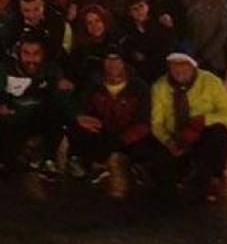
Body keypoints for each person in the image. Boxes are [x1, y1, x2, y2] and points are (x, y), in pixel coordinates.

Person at [0, 34, 76, 179]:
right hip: (11, 122)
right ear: (18, 53)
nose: (31, 59)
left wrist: (77, 113)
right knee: (4, 171)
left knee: (55, 111)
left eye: (36, 54)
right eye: (26, 53)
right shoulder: (5, 69)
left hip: (37, 120)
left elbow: (65, 102)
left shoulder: (51, 70)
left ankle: (48, 158)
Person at [150, 53, 227, 203]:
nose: (179, 71)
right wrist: (168, 141)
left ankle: (214, 178)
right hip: (175, 135)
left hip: (203, 134)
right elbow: (156, 123)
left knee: (219, 133)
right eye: (174, 66)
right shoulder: (159, 86)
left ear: (192, 66)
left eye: (184, 65)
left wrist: (202, 121)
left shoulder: (211, 81)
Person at [67, 47, 158, 185]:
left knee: (146, 141)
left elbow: (144, 119)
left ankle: (140, 166)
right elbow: (82, 107)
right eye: (108, 60)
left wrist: (123, 139)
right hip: (101, 129)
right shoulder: (93, 83)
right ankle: (86, 163)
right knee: (78, 128)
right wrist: (80, 117)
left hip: (128, 132)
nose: (112, 64)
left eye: (117, 60)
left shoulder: (139, 86)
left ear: (124, 62)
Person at [119, 0, 176, 85]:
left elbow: (167, 50)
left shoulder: (162, 27)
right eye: (134, 9)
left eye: (141, 6)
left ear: (147, 6)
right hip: (138, 76)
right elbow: (129, 54)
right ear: (130, 13)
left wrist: (145, 57)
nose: (139, 11)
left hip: (161, 72)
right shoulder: (127, 31)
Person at [186, 0, 227, 78]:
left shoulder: (219, 3)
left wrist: (204, 56)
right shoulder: (185, 1)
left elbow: (223, 31)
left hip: (212, 60)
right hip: (188, 57)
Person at [68, 5, 114, 88]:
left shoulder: (115, 42)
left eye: (97, 20)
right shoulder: (80, 50)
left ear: (104, 21)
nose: (94, 26)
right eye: (89, 23)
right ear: (85, 27)